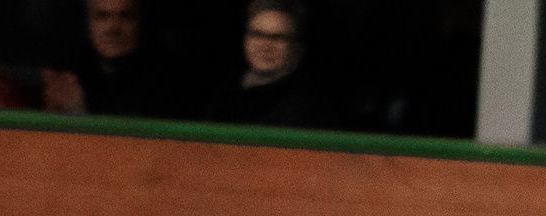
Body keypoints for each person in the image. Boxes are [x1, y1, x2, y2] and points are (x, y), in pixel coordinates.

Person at [41, 0, 185, 120]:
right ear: (88, 22)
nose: (113, 28)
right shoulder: (69, 73)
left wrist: (78, 116)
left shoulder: (171, 79)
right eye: (102, 16)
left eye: (126, 16)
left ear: (141, 21)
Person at [210, 0, 332, 130]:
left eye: (278, 37)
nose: (265, 46)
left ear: (298, 47)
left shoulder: (306, 108)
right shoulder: (225, 91)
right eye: (257, 34)